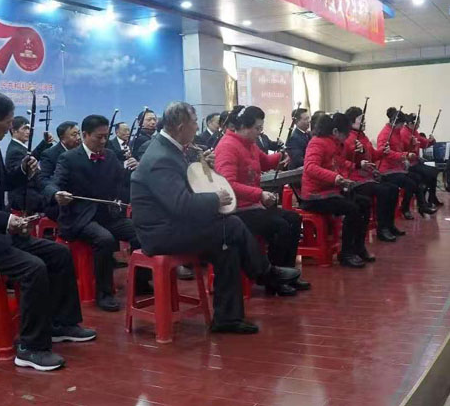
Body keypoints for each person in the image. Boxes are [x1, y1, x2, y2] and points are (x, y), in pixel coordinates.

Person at [0, 92, 95, 371]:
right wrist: (6, 221)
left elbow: (0, 184)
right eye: (8, 122)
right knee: (33, 268)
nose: (10, 128)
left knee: (59, 254)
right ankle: (29, 347)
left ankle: (61, 323)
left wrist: (22, 171)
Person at [131, 101, 300, 334]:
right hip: (160, 233)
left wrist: (203, 166)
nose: (196, 127)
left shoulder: (171, 149)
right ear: (181, 127)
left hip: (174, 224)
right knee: (231, 225)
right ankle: (264, 273)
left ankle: (228, 318)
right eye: (194, 123)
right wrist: (215, 199)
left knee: (227, 247)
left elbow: (184, 186)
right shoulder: (161, 157)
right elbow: (181, 204)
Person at [45, 115, 146, 312]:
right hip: (79, 218)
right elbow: (52, 183)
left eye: (105, 137)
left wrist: (135, 170)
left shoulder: (109, 156)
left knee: (140, 230)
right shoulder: (69, 158)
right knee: (105, 239)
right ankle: (104, 293)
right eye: (99, 137)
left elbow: (122, 182)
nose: (103, 141)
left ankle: (140, 282)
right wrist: (56, 194)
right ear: (85, 135)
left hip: (107, 215)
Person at [214, 106, 309, 296]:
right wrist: (259, 194)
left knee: (293, 219)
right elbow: (228, 184)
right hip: (237, 211)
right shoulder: (227, 146)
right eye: (257, 128)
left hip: (253, 206)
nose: (260, 132)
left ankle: (287, 273)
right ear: (243, 127)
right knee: (280, 226)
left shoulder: (249, 143)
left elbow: (264, 161)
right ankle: (274, 279)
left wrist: (280, 157)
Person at [301, 112, 373, 268]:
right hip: (315, 196)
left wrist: (358, 163)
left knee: (365, 203)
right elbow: (310, 167)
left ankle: (358, 247)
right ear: (335, 131)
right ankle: (346, 253)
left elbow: (340, 163)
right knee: (352, 209)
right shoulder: (317, 142)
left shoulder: (336, 144)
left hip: (330, 191)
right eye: (345, 135)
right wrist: (335, 178)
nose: (346, 139)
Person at [342, 106, 403, 242]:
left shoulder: (363, 137)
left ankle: (389, 224)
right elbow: (342, 160)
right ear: (351, 121)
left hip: (368, 177)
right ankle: (382, 228)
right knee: (384, 191)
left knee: (393, 189)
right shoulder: (348, 138)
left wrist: (383, 151)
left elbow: (372, 155)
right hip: (356, 179)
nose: (364, 122)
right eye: (360, 119)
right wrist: (358, 160)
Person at [376, 109, 435, 219]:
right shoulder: (385, 134)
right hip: (388, 169)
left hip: (398, 167)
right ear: (394, 122)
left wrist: (412, 146)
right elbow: (385, 153)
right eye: (401, 124)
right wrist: (405, 155)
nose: (402, 126)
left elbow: (403, 149)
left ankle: (421, 206)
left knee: (417, 178)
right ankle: (406, 208)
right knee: (410, 183)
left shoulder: (397, 132)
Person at [38, 121, 81, 221]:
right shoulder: (49, 154)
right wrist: (55, 193)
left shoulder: (81, 152)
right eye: (74, 135)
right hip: (59, 203)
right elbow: (43, 180)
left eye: (79, 133)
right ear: (62, 138)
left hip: (79, 198)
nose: (79, 137)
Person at [5, 116, 46, 214]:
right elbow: (18, 178)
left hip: (27, 196)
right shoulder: (15, 151)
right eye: (25, 128)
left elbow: (31, 158)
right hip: (23, 200)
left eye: (29, 129)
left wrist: (44, 143)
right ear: (14, 131)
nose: (28, 132)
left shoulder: (18, 147)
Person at [403, 115, 443, 207]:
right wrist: (413, 145)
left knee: (433, 171)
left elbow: (423, 143)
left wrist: (431, 141)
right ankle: (426, 201)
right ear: (410, 123)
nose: (418, 126)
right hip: (409, 164)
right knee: (430, 174)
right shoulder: (404, 133)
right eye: (417, 124)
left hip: (416, 162)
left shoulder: (414, 132)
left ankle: (431, 198)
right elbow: (405, 150)